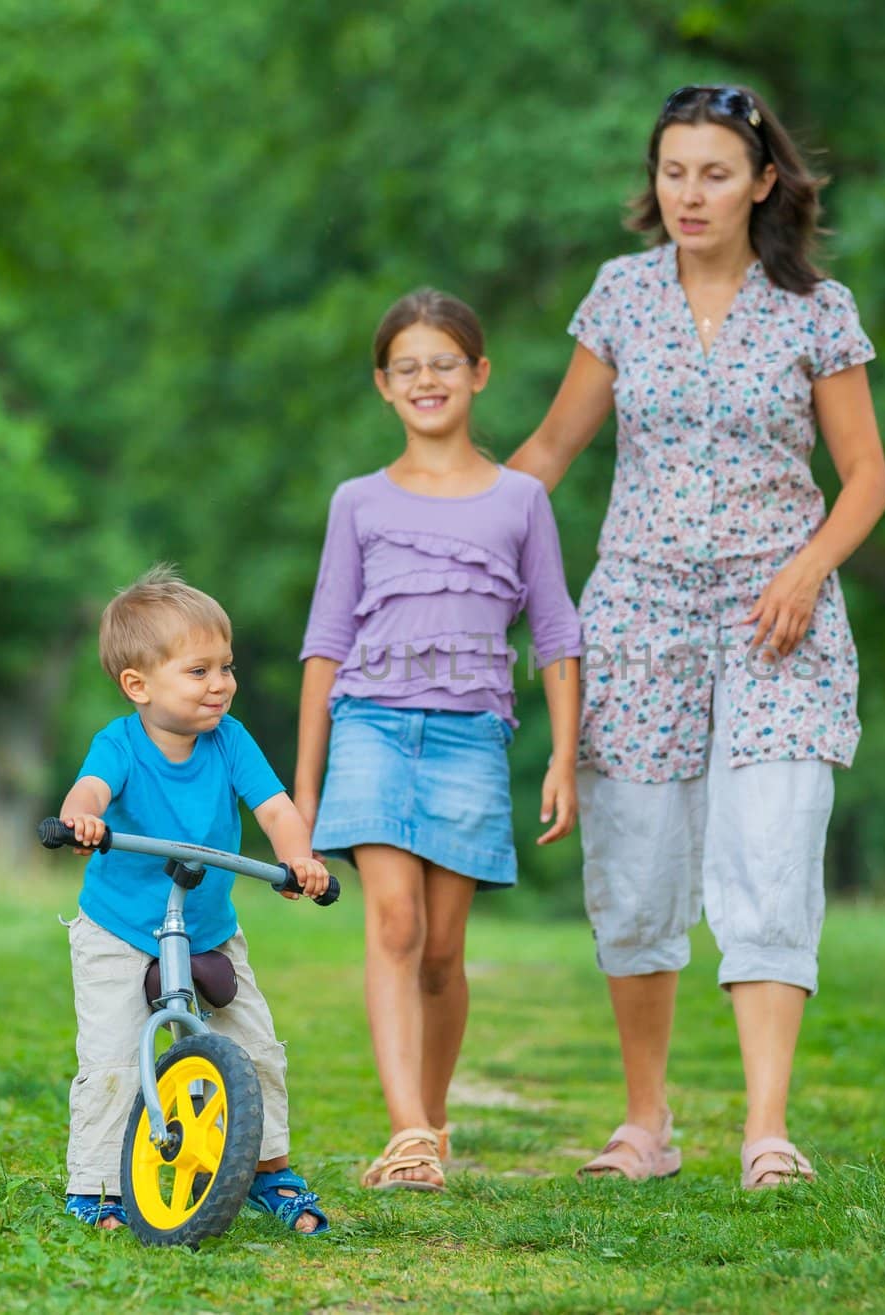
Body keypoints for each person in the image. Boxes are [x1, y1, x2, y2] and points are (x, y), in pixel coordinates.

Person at [508, 84, 885, 1189]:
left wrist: (809, 568)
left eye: (714, 172)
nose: (690, 192)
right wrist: (450, 530)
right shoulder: (619, 297)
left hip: (779, 616)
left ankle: (765, 1129)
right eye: (673, 170)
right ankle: (645, 1125)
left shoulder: (816, 310)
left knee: (769, 855)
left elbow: (864, 477)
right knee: (634, 867)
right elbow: (547, 451)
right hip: (635, 610)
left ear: (762, 181)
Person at [294, 289, 583, 1191]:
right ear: (385, 385)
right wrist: (302, 793)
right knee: (394, 921)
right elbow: (324, 642)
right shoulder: (358, 501)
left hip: (470, 738)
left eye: (444, 363)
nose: (428, 379)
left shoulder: (522, 500)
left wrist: (565, 754)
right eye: (408, 366)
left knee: (444, 949)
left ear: (479, 374)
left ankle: (434, 1117)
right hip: (370, 725)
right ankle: (407, 1131)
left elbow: (558, 633)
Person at [57, 564, 332, 1234]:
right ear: (138, 685)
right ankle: (95, 1188)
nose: (221, 685)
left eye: (226, 667)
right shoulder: (119, 742)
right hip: (120, 927)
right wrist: (81, 821)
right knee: (115, 1056)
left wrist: (298, 856)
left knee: (257, 1045)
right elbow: (89, 792)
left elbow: (275, 808)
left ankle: (269, 1171)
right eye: (200, 670)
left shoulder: (229, 741)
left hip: (207, 926)